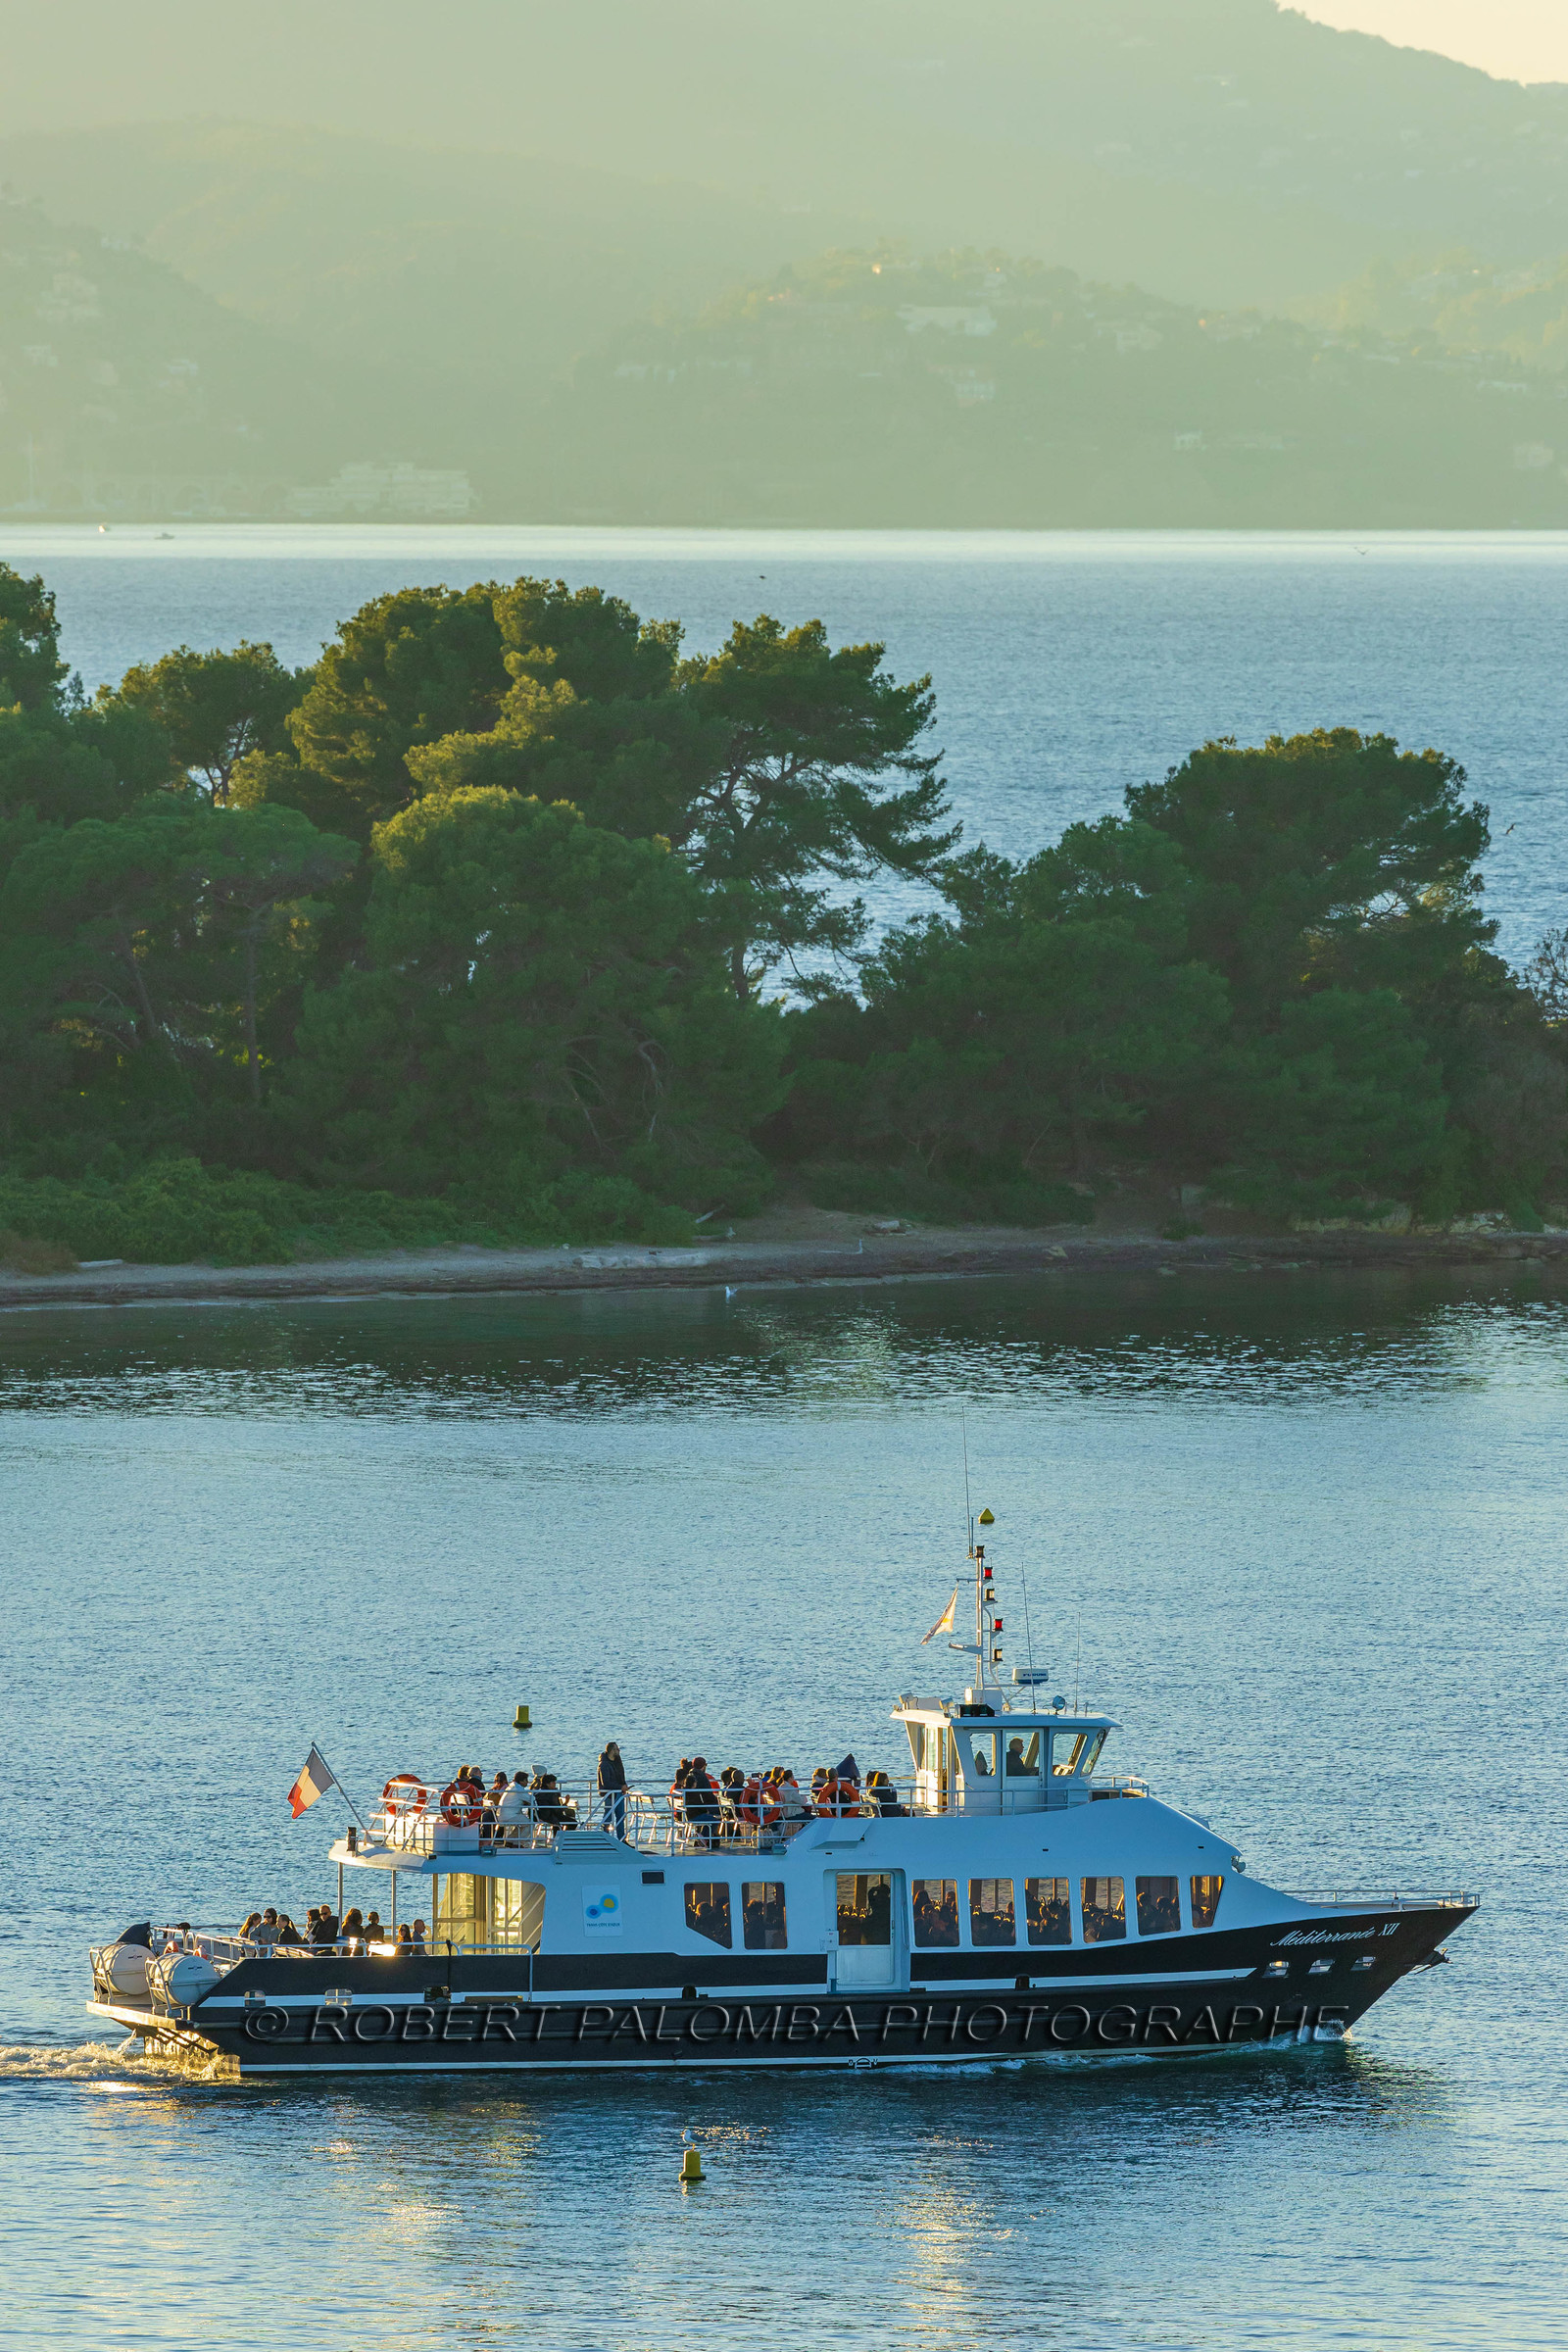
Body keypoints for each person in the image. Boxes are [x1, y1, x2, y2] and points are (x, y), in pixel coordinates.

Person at [598, 1740, 627, 1839]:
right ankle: (604, 1837)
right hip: (610, 1794)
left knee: (621, 1817)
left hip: (619, 1793)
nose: (619, 1751)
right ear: (612, 1750)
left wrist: (624, 1786)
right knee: (608, 1817)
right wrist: (620, 1787)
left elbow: (621, 1776)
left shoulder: (617, 1762)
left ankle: (621, 1839)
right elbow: (605, 1782)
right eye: (617, 1749)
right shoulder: (604, 1765)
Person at [496, 1771, 533, 1841]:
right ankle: (519, 1843)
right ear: (521, 1781)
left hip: (502, 1815)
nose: (527, 1782)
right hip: (509, 1816)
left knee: (523, 1823)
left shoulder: (512, 1786)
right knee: (530, 1824)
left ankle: (510, 1841)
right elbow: (531, 1799)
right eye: (526, 1780)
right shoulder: (518, 1789)